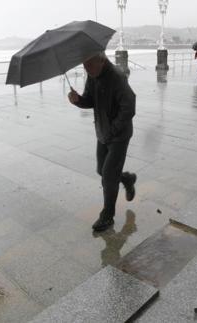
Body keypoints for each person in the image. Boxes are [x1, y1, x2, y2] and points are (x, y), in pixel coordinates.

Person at [68, 53, 137, 232]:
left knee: (108, 176)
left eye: (90, 64)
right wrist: (78, 101)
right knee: (102, 170)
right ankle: (127, 179)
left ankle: (107, 216)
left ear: (102, 60)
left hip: (119, 135)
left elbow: (129, 106)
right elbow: (90, 100)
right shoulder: (93, 76)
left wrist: (113, 130)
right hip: (102, 132)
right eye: (84, 65)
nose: (87, 69)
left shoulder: (117, 78)